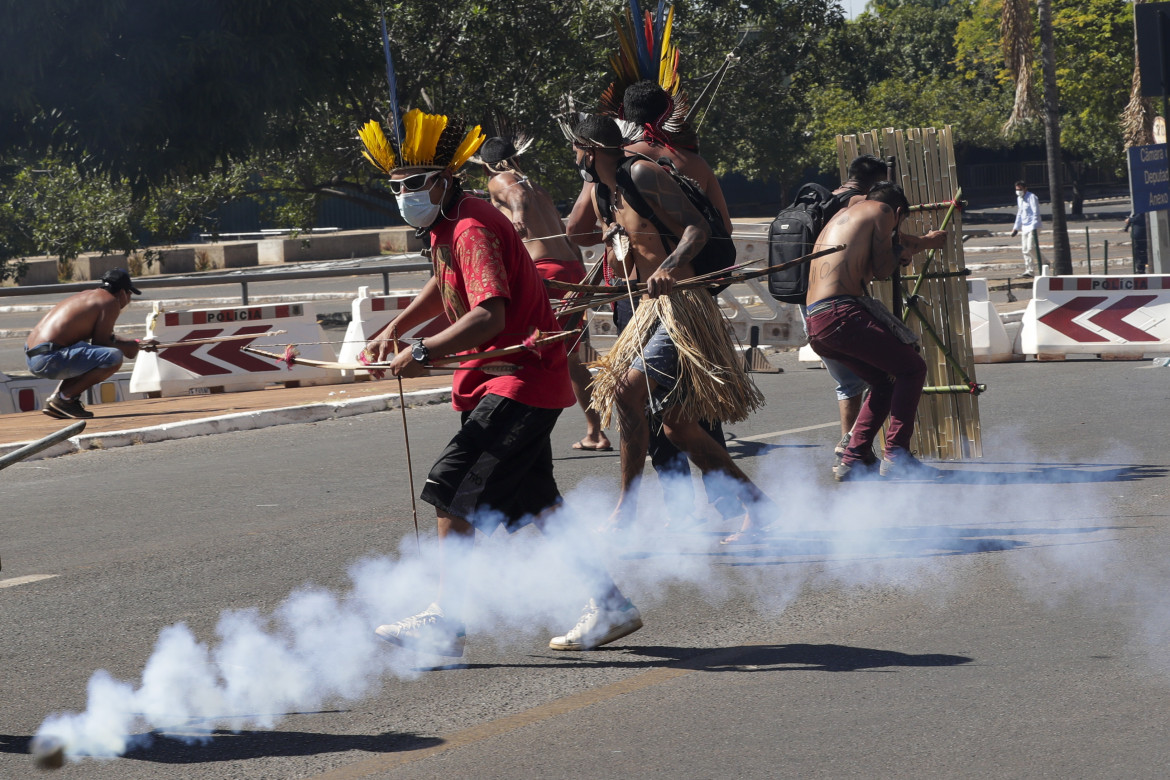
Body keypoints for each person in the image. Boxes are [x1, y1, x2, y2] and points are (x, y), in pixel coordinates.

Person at [358, 109, 642, 655]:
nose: (404, 195)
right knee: (536, 503)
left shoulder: (471, 225)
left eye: (415, 184)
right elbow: (444, 282)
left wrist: (424, 350)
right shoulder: (450, 224)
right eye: (395, 187)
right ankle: (609, 604)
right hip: (511, 382)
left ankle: (447, 622)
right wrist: (397, 327)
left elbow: (489, 312)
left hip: (519, 382)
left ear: (446, 179)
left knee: (450, 485)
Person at [568, 114, 775, 539]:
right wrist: (602, 256)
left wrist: (669, 266)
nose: (574, 157)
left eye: (575, 149)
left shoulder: (641, 173)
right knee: (678, 426)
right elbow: (614, 240)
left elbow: (697, 228)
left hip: (682, 307)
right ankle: (758, 504)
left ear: (589, 150)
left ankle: (626, 508)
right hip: (647, 310)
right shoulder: (606, 194)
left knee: (626, 390)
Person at [476, 134, 612, 452]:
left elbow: (514, 193)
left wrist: (518, 215)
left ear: (485, 168)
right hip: (570, 272)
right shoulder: (537, 186)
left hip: (546, 274)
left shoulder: (502, 180)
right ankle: (595, 432)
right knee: (570, 356)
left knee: (524, 352)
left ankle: (520, 435)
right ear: (518, 158)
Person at [805, 183, 948, 481]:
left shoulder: (845, 214)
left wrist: (905, 248)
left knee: (883, 381)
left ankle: (853, 457)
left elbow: (865, 267)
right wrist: (899, 252)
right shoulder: (882, 211)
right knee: (912, 369)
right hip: (840, 313)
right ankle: (897, 456)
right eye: (900, 222)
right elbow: (883, 270)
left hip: (817, 321)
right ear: (897, 212)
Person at [812, 154, 888, 468]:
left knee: (850, 383)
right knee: (891, 374)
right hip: (839, 307)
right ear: (876, 182)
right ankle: (852, 449)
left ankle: (856, 451)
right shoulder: (860, 204)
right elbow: (882, 261)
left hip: (810, 305)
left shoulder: (823, 201)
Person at [24, 268, 148, 419]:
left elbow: (106, 338)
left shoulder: (90, 296)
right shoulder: (110, 301)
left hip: (36, 356)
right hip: (49, 358)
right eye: (129, 295)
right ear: (123, 292)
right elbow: (102, 343)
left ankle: (58, 400)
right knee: (113, 357)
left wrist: (136, 343)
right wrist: (130, 348)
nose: (128, 300)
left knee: (86, 348)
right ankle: (65, 399)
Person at [1010, 180, 1041, 278]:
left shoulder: (1032, 197)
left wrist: (1033, 227)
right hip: (1025, 227)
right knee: (1025, 250)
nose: (1018, 191)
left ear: (1025, 188)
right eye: (1017, 189)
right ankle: (1029, 271)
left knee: (1030, 248)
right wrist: (1015, 228)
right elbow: (1019, 214)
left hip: (1034, 226)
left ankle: (1044, 262)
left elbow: (1036, 213)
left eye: (1020, 189)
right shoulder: (1019, 199)